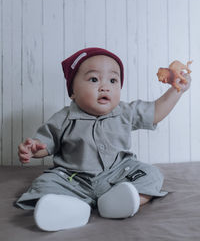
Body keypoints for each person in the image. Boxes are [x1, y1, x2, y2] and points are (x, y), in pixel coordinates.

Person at [16, 47, 191, 231]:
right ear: (73, 92)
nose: (105, 86)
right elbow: (46, 143)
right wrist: (34, 149)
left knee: (152, 174)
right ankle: (72, 209)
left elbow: (155, 111)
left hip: (118, 175)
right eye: (94, 79)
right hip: (73, 179)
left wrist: (177, 90)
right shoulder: (64, 118)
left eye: (113, 80)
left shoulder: (125, 112)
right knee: (43, 183)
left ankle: (124, 201)